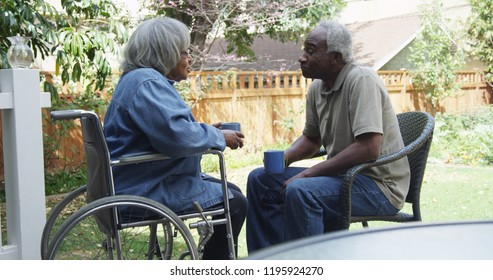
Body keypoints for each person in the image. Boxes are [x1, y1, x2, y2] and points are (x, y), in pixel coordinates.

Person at [246, 20, 410, 253]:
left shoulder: (362, 80)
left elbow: (369, 148)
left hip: (379, 186)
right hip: (343, 178)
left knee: (301, 190)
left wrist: (308, 173)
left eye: (311, 51)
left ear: (336, 57)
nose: (302, 57)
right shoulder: (317, 88)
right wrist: (285, 158)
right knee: (260, 179)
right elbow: (312, 139)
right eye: (304, 50)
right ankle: (269, 261)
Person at [103, 17, 247, 259]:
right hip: (146, 188)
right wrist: (217, 136)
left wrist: (204, 132)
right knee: (236, 203)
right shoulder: (147, 82)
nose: (189, 58)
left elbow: (165, 131)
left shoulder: (140, 80)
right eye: (184, 52)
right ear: (165, 53)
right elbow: (177, 138)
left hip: (140, 178)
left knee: (231, 190)